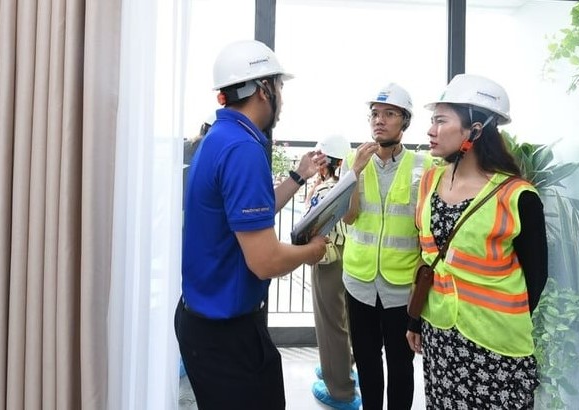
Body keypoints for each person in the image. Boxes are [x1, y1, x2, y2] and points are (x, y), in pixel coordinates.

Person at [175, 39, 329, 410]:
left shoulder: (219, 138)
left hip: (204, 323)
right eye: (279, 86)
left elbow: (248, 214)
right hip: (227, 335)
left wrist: (297, 176)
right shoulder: (243, 149)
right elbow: (264, 260)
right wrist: (312, 251)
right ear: (263, 90)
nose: (281, 97)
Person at [406, 74, 548, 409]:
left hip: (496, 347)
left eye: (441, 121)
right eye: (432, 120)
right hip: (440, 335)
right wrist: (416, 319)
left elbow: (536, 278)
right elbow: (428, 258)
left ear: (475, 129)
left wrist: (496, 323)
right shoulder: (430, 181)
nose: (430, 130)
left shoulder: (518, 196)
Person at [341, 83, 426, 409]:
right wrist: (354, 174)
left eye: (389, 114)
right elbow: (349, 218)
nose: (379, 120)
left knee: (401, 364)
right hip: (359, 281)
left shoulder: (423, 166)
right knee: (367, 361)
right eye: (375, 114)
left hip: (401, 286)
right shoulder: (354, 160)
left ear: (404, 122)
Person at [304, 135, 361, 410]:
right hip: (347, 258)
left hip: (327, 260)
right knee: (343, 320)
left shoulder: (325, 190)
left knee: (330, 325)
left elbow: (312, 227)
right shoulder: (345, 185)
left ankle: (340, 389)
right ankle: (344, 369)